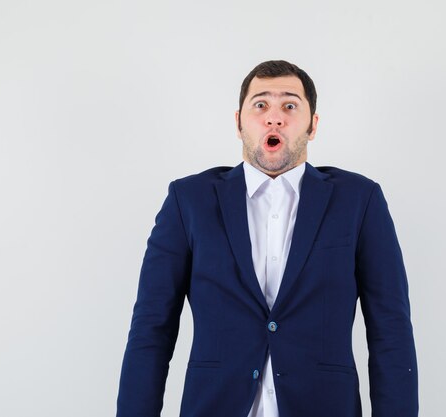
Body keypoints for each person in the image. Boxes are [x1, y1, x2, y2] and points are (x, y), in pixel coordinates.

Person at [117, 60, 418, 417]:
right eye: (260, 105)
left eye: (290, 105)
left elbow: (391, 331)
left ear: (313, 125)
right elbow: (152, 328)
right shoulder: (189, 201)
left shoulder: (359, 200)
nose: (274, 117)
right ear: (238, 122)